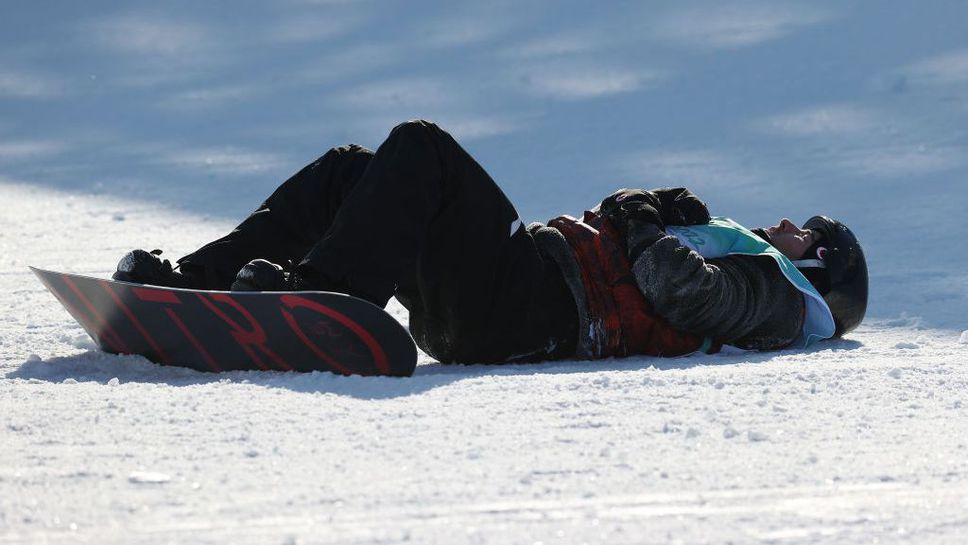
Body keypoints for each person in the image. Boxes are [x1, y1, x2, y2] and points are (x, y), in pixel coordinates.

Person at [113, 120, 868, 364]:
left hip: (536, 307)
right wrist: (656, 213)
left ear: (817, 262)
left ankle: (320, 302)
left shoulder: (782, 296)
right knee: (355, 172)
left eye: (807, 230)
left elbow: (682, 289)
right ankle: (193, 283)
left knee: (424, 148)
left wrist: (641, 220)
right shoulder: (755, 262)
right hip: (507, 298)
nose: (785, 224)